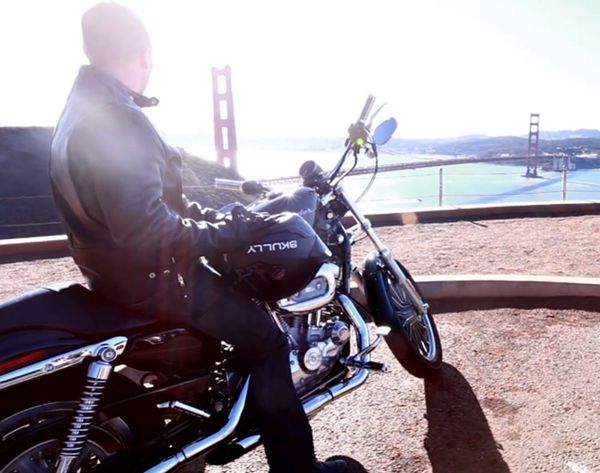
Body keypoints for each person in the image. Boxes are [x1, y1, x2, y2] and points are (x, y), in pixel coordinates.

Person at [49, 2, 347, 473]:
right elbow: (148, 231)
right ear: (145, 54)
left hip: (111, 274)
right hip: (157, 280)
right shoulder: (119, 118)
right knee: (267, 341)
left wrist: (217, 219)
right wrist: (235, 231)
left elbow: (152, 205)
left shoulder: (78, 108)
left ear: (90, 49)